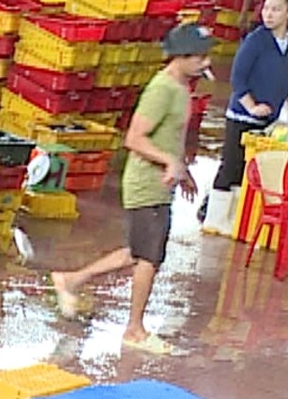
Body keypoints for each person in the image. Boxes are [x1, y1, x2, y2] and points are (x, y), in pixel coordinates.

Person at [50, 22, 212, 356]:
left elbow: (172, 138)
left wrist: (182, 170)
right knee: (148, 257)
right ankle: (134, 329)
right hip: (146, 183)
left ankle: (71, 280)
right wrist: (169, 163)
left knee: (139, 251)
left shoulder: (182, 88)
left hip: (162, 183)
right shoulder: (162, 90)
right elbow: (134, 139)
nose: (204, 62)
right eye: (198, 56)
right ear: (179, 57)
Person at [203, 0, 288, 234]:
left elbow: (287, 76)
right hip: (241, 117)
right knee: (231, 165)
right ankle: (214, 218)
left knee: (250, 170)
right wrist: (251, 106)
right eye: (266, 9)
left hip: (268, 120)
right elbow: (238, 78)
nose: (269, 14)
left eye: (276, 9)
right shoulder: (256, 40)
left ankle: (234, 218)